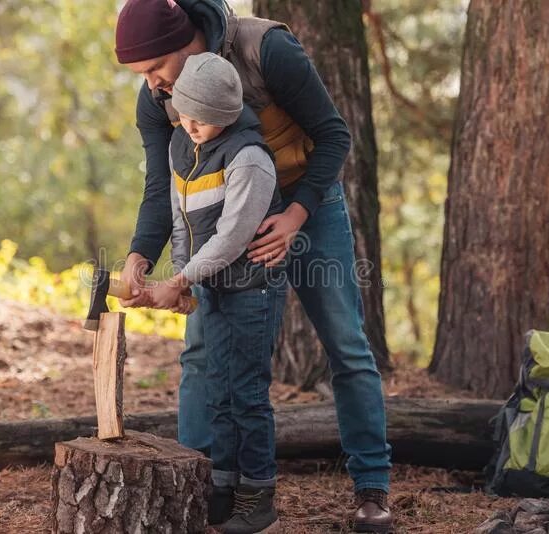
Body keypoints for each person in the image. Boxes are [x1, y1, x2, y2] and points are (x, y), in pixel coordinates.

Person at [115, 1, 393, 531]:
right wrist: (139, 254)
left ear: (185, 41)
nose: (150, 85)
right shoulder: (158, 98)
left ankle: (371, 487)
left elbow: (334, 135)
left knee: (346, 345)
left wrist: (295, 215)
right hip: (220, 224)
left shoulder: (265, 49)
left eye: (154, 69)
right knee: (199, 354)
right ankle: (199, 482)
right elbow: (162, 184)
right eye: (141, 75)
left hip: (303, 204)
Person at [149, 52, 286, 533]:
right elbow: (182, 221)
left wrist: (181, 280)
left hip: (251, 289)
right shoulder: (180, 149)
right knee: (216, 391)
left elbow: (231, 237)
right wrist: (184, 275)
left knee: (246, 391)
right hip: (212, 286)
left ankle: (258, 496)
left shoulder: (250, 158)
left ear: (227, 115)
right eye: (186, 114)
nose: (193, 125)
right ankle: (223, 488)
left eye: (204, 119)